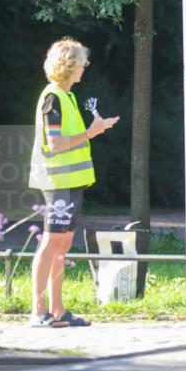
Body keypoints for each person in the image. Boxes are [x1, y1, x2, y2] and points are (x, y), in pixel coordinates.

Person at [28, 38, 119, 327]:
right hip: (57, 183)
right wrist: (93, 132)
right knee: (51, 244)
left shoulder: (67, 96)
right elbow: (55, 144)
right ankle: (38, 312)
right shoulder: (53, 97)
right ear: (69, 65)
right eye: (82, 62)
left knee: (62, 246)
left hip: (71, 183)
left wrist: (97, 128)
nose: (84, 67)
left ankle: (58, 311)